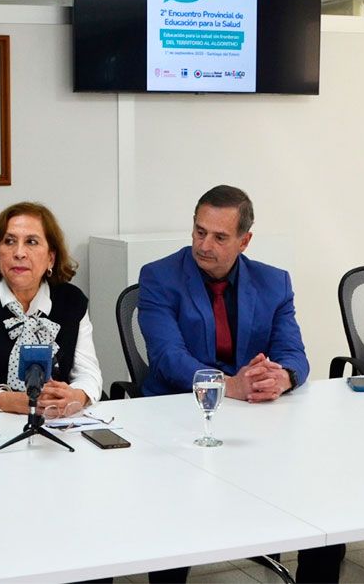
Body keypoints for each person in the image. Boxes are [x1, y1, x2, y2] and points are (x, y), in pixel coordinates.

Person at [137, 185, 339, 583]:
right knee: (175, 513)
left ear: (244, 241)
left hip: (256, 422)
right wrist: (229, 385)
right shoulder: (159, 277)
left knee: (327, 501)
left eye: (219, 237)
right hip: (180, 416)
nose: (204, 245)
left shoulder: (274, 282)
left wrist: (281, 378)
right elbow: (167, 356)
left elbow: (294, 353)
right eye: (199, 232)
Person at [0, 202, 102, 414]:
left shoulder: (72, 301)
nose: (19, 253)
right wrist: (13, 401)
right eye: (9, 241)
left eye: (31, 242)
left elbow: (89, 374)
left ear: (50, 258)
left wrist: (76, 396)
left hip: (57, 421)